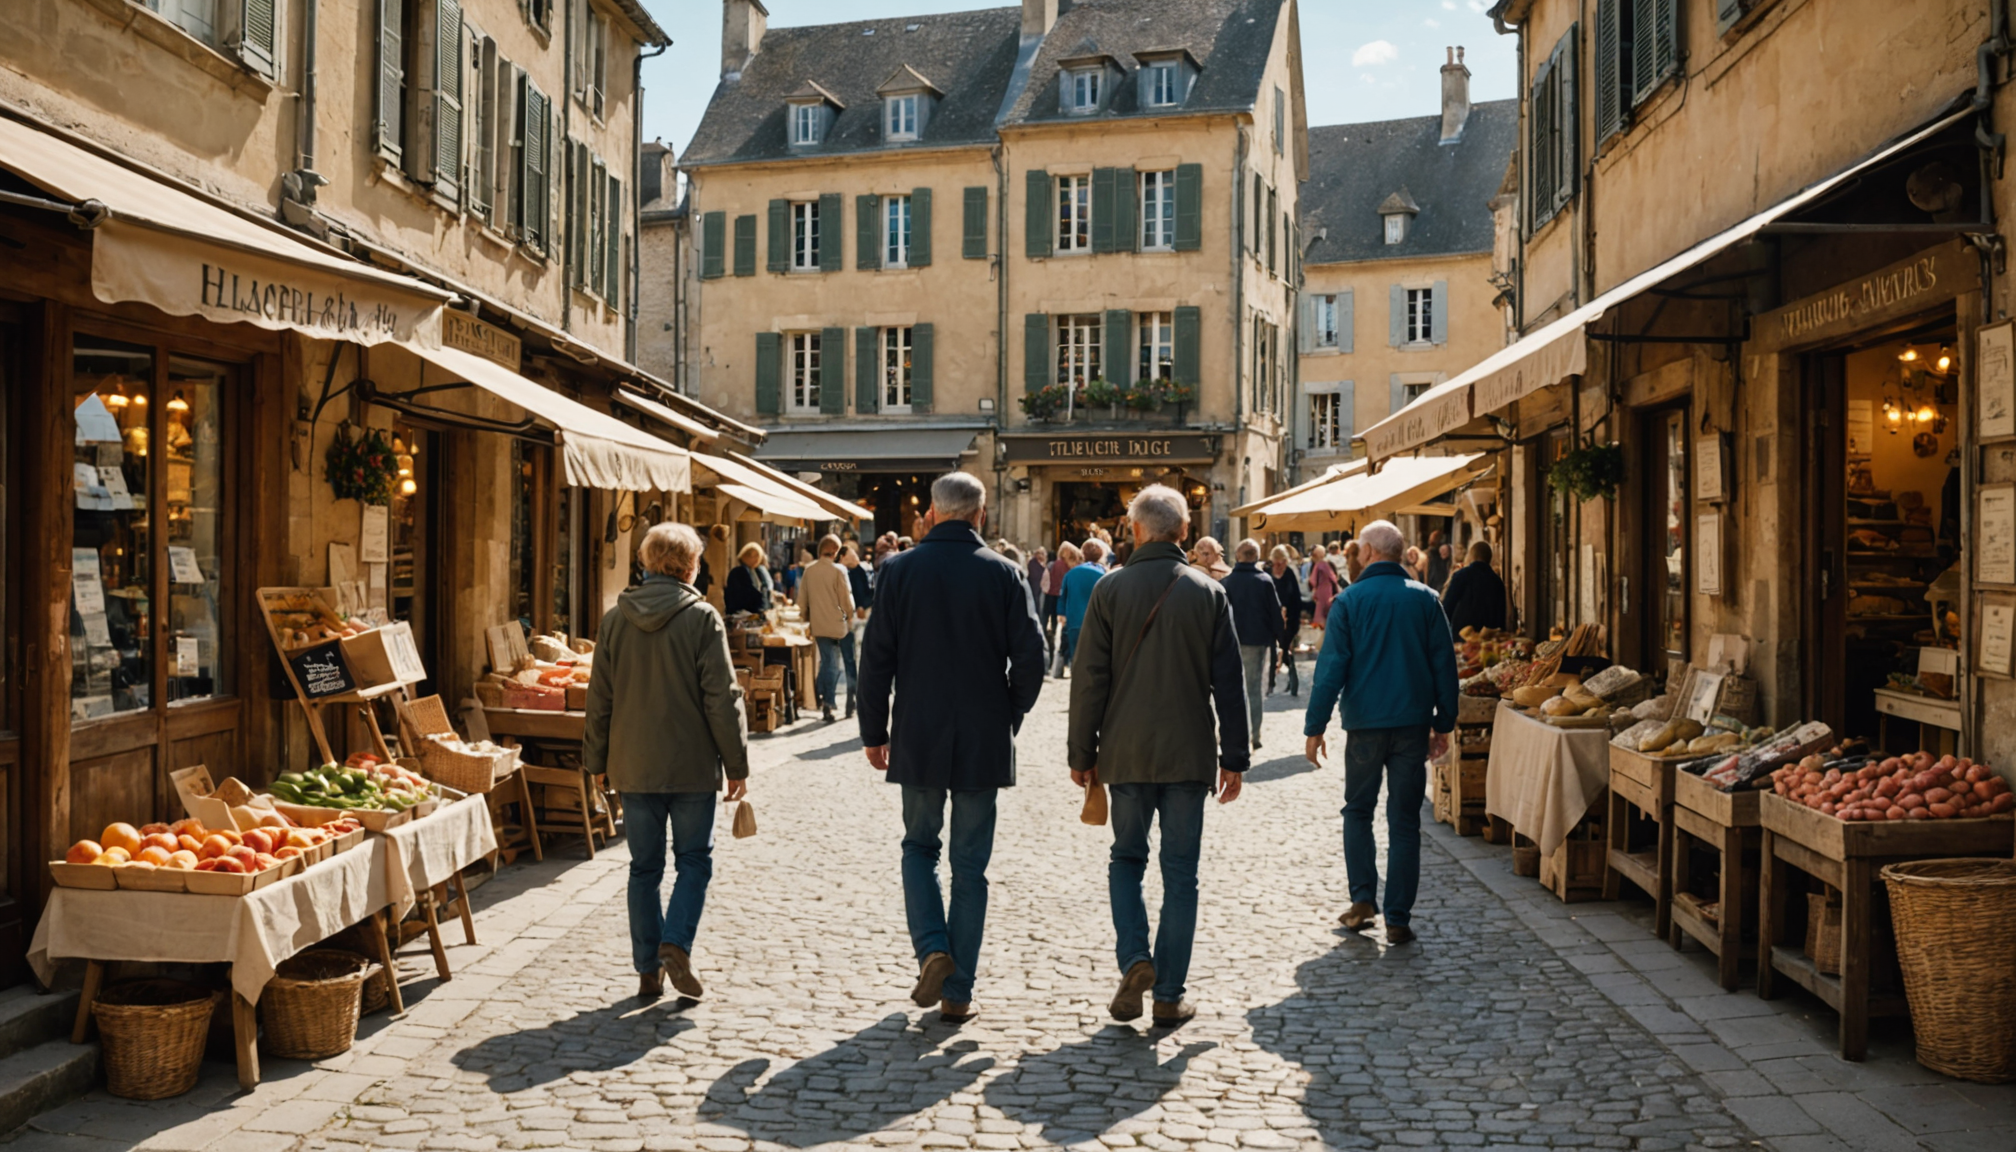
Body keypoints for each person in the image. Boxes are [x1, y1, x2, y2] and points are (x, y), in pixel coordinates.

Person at [858, 473, 1046, 1024]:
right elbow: (1031, 661)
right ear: (981, 516)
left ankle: (932, 950)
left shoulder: (897, 571)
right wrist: (1007, 714)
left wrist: (874, 731)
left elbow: (877, 661)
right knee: (970, 868)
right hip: (983, 734)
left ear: (934, 514)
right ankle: (958, 990)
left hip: (918, 729)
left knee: (919, 847)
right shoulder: (1006, 573)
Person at [1069, 485, 1249, 1026]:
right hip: (1188, 753)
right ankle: (1169, 994)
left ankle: (1135, 959)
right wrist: (1235, 756)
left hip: (1123, 751)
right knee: (1181, 873)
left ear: (1136, 530)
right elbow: (1229, 682)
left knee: (1126, 860)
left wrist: (1082, 753)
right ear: (1184, 532)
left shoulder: (1109, 590)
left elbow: (1089, 679)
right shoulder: (1209, 593)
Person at [583, 523, 749, 1002]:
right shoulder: (702, 618)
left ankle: (647, 971)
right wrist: (736, 764)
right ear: (690, 566)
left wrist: (596, 759)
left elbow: (600, 699)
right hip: (692, 764)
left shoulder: (616, 620)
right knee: (694, 860)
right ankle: (675, 942)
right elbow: (722, 697)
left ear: (647, 562)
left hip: (633, 764)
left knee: (643, 868)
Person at [1302, 520, 1459, 946]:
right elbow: (1445, 666)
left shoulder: (1350, 601)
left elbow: (1331, 668)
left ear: (1369, 552)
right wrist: (1443, 723)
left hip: (1366, 725)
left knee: (1358, 811)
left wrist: (1315, 727)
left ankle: (1363, 900)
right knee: (1405, 820)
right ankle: (1398, 915)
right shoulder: (1426, 600)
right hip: (1411, 724)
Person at [1222, 539, 1284, 749]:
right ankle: (1255, 735)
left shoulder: (1226, 583)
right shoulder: (1264, 581)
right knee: (1254, 688)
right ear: (1256, 557)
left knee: (1232, 688)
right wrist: (1281, 642)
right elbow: (1275, 614)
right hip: (1258, 641)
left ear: (1238, 556)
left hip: (1231, 642)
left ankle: (1231, 734)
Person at [801, 535, 857, 723]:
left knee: (827, 661)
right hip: (836, 624)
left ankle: (820, 694)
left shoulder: (809, 571)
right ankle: (828, 703)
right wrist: (850, 616)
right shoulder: (839, 570)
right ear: (835, 551)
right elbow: (846, 599)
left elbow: (802, 600)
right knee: (833, 664)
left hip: (818, 624)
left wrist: (805, 619)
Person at [1058, 538, 1110, 676]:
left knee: (1076, 660)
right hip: (1097, 624)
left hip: (1075, 622)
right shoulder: (1105, 575)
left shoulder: (1071, 574)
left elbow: (1062, 597)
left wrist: (1062, 616)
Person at [1440, 541, 1508, 634]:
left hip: (1463, 637)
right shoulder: (1497, 582)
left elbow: (1448, 606)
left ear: (1472, 556)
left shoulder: (1461, 576)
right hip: (1489, 640)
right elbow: (1501, 616)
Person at [1268, 544, 1304, 697]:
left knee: (1286, 651)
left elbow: (1296, 600)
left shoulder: (1289, 574)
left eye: (1282, 562)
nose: (1279, 566)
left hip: (1288, 620)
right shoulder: (1266, 573)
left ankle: (1293, 681)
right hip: (1269, 621)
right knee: (1271, 652)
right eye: (1276, 563)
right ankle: (1270, 683)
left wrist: (1294, 623)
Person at [1044, 542, 1081, 660]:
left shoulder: (1056, 564)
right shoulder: (1064, 565)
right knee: (1060, 626)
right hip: (1060, 596)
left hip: (1053, 595)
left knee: (1055, 625)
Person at [723, 541, 774, 617]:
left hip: (759, 613)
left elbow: (765, 589)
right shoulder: (737, 572)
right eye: (753, 555)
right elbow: (738, 596)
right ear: (744, 556)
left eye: (758, 555)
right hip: (742, 614)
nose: (756, 558)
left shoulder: (759, 572)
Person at [1308, 543, 1340, 625]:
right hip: (1329, 591)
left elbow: (1312, 580)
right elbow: (1334, 578)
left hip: (1321, 592)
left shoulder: (1318, 565)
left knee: (1320, 613)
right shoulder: (1328, 564)